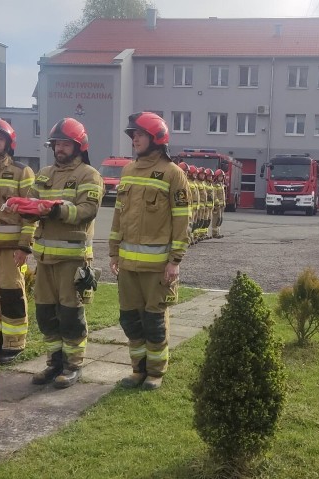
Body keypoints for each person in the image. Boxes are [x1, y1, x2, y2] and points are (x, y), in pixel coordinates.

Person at [109, 112, 190, 391]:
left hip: (157, 267)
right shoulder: (128, 171)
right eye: (133, 136)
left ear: (157, 138)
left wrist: (175, 260)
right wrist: (113, 252)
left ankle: (155, 371)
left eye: (140, 135)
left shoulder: (173, 173)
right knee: (130, 319)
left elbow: (182, 219)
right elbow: (119, 213)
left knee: (154, 321)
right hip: (128, 265)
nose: (135, 140)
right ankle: (137, 370)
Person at [25, 118, 103, 388]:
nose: (60, 148)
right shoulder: (44, 173)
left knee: (71, 315)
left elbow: (87, 211)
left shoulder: (89, 175)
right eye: (57, 143)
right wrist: (24, 208)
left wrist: (57, 210)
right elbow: (32, 201)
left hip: (72, 260)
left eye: (65, 143)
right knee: (46, 314)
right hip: (44, 260)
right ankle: (54, 363)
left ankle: (73, 365)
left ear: (79, 146)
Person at [0, 118, 36, 364]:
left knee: (11, 294)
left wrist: (24, 246)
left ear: (8, 142)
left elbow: (31, 212)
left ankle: (14, 343)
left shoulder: (22, 172)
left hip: (11, 249)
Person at [211, 169, 226, 239]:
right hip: (217, 206)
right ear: (216, 177)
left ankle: (218, 232)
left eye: (222, 176)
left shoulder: (221, 184)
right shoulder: (214, 185)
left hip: (222, 205)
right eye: (219, 176)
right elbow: (214, 195)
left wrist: (224, 203)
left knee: (220, 219)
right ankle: (214, 233)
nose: (221, 178)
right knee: (216, 219)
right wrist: (217, 203)